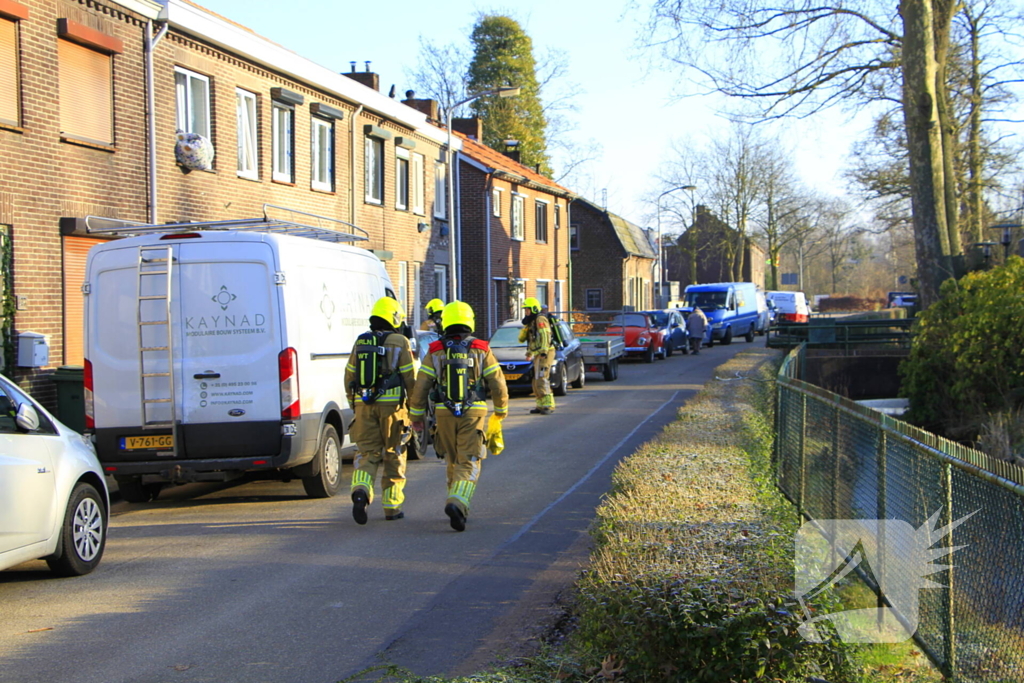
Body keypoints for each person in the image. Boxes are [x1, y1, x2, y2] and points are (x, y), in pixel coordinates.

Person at [409, 301, 508, 531]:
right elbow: (497, 382)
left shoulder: (435, 349)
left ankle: (458, 507)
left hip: (443, 412)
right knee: (469, 460)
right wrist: (501, 410)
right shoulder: (481, 348)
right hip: (474, 411)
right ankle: (457, 501)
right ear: (469, 320)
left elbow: (421, 385)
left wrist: (416, 416)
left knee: (452, 459)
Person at [345, 297, 417, 524]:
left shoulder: (361, 341)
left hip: (363, 407)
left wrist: (354, 404)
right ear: (395, 318)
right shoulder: (400, 341)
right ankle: (392, 507)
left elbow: (349, 375)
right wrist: (414, 408)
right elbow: (409, 377)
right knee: (394, 452)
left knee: (367, 453)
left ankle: (361, 491)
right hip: (393, 410)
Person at [519, 297, 556, 415]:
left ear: (534, 309)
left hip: (545, 353)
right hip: (537, 353)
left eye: (527, 309)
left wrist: (544, 351)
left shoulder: (540, 319)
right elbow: (532, 339)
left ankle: (548, 406)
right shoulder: (532, 321)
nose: (526, 312)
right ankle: (540, 405)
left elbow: (545, 336)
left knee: (542, 378)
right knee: (536, 381)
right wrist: (530, 353)